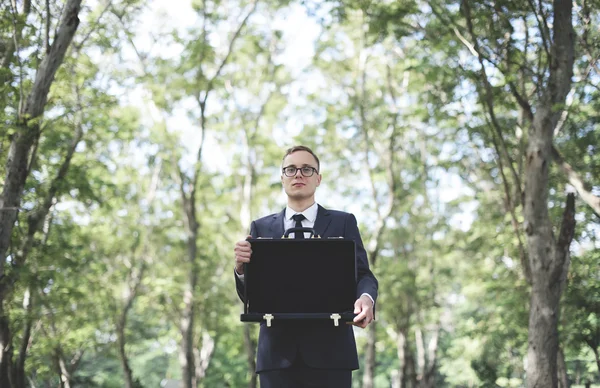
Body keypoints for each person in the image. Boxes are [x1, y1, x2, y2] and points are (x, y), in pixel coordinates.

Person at [234, 145, 378, 388]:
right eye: (290, 169)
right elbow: (252, 297)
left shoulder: (344, 222)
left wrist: (366, 298)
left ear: (318, 178)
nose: (298, 174)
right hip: (276, 358)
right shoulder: (261, 228)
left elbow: (363, 274)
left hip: (332, 355)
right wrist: (240, 269)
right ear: (282, 178)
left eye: (307, 169)